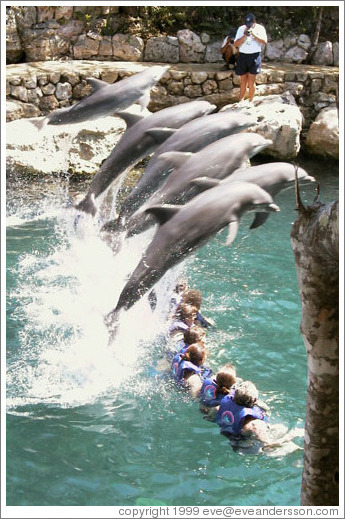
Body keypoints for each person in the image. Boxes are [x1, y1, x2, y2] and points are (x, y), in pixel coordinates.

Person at [234, 12, 267, 102]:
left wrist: (254, 35)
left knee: (251, 80)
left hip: (254, 56)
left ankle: (251, 101)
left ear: (254, 21)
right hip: (243, 55)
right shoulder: (241, 29)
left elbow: (264, 42)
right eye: (247, 24)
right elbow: (236, 44)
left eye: (250, 24)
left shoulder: (260, 28)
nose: (248, 26)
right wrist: (244, 35)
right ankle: (241, 100)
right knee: (243, 80)